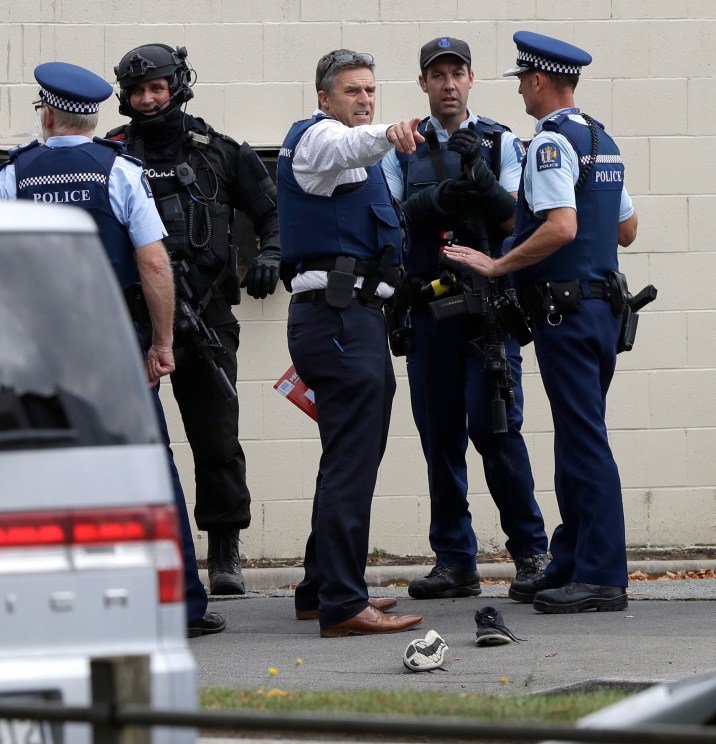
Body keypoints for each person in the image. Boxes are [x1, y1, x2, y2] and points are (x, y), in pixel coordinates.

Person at [0, 61, 225, 637]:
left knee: (40, 468)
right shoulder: (120, 170)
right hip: (113, 339)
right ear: (92, 117)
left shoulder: (13, 175)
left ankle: (46, 605)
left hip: (38, 347)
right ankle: (181, 606)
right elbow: (152, 262)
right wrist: (163, 342)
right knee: (147, 467)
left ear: (47, 112)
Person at [442, 32, 637, 614]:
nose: (522, 89)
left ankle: (602, 576)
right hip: (601, 308)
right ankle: (571, 559)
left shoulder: (552, 142)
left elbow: (561, 226)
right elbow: (625, 230)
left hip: (568, 311)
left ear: (541, 81)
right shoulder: (601, 138)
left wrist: (498, 262)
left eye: (524, 79)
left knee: (584, 441)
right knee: (581, 437)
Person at [108, 44, 282, 596]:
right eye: (137, 91)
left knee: (216, 440)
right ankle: (136, 550)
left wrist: (271, 255)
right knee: (128, 443)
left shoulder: (221, 152)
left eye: (157, 87)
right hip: (132, 325)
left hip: (206, 320)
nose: (147, 99)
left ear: (178, 85)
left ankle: (225, 549)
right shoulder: (109, 155)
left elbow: (275, 211)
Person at [380, 36, 549, 601]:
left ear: (472, 80)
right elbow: (394, 219)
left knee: (496, 431)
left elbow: (516, 225)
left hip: (488, 317)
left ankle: (530, 553)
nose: (448, 84)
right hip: (428, 313)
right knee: (440, 438)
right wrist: (443, 198)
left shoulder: (501, 143)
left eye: (458, 73)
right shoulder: (402, 146)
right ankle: (455, 561)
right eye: (438, 75)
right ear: (424, 83)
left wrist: (482, 189)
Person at [276, 49, 425, 637]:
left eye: (370, 91)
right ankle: (342, 603)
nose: (363, 100)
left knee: (345, 459)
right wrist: (388, 133)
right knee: (351, 465)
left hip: (354, 320)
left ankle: (319, 589)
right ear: (324, 99)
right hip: (338, 321)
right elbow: (349, 146)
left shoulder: (350, 156)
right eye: (351, 92)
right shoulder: (318, 139)